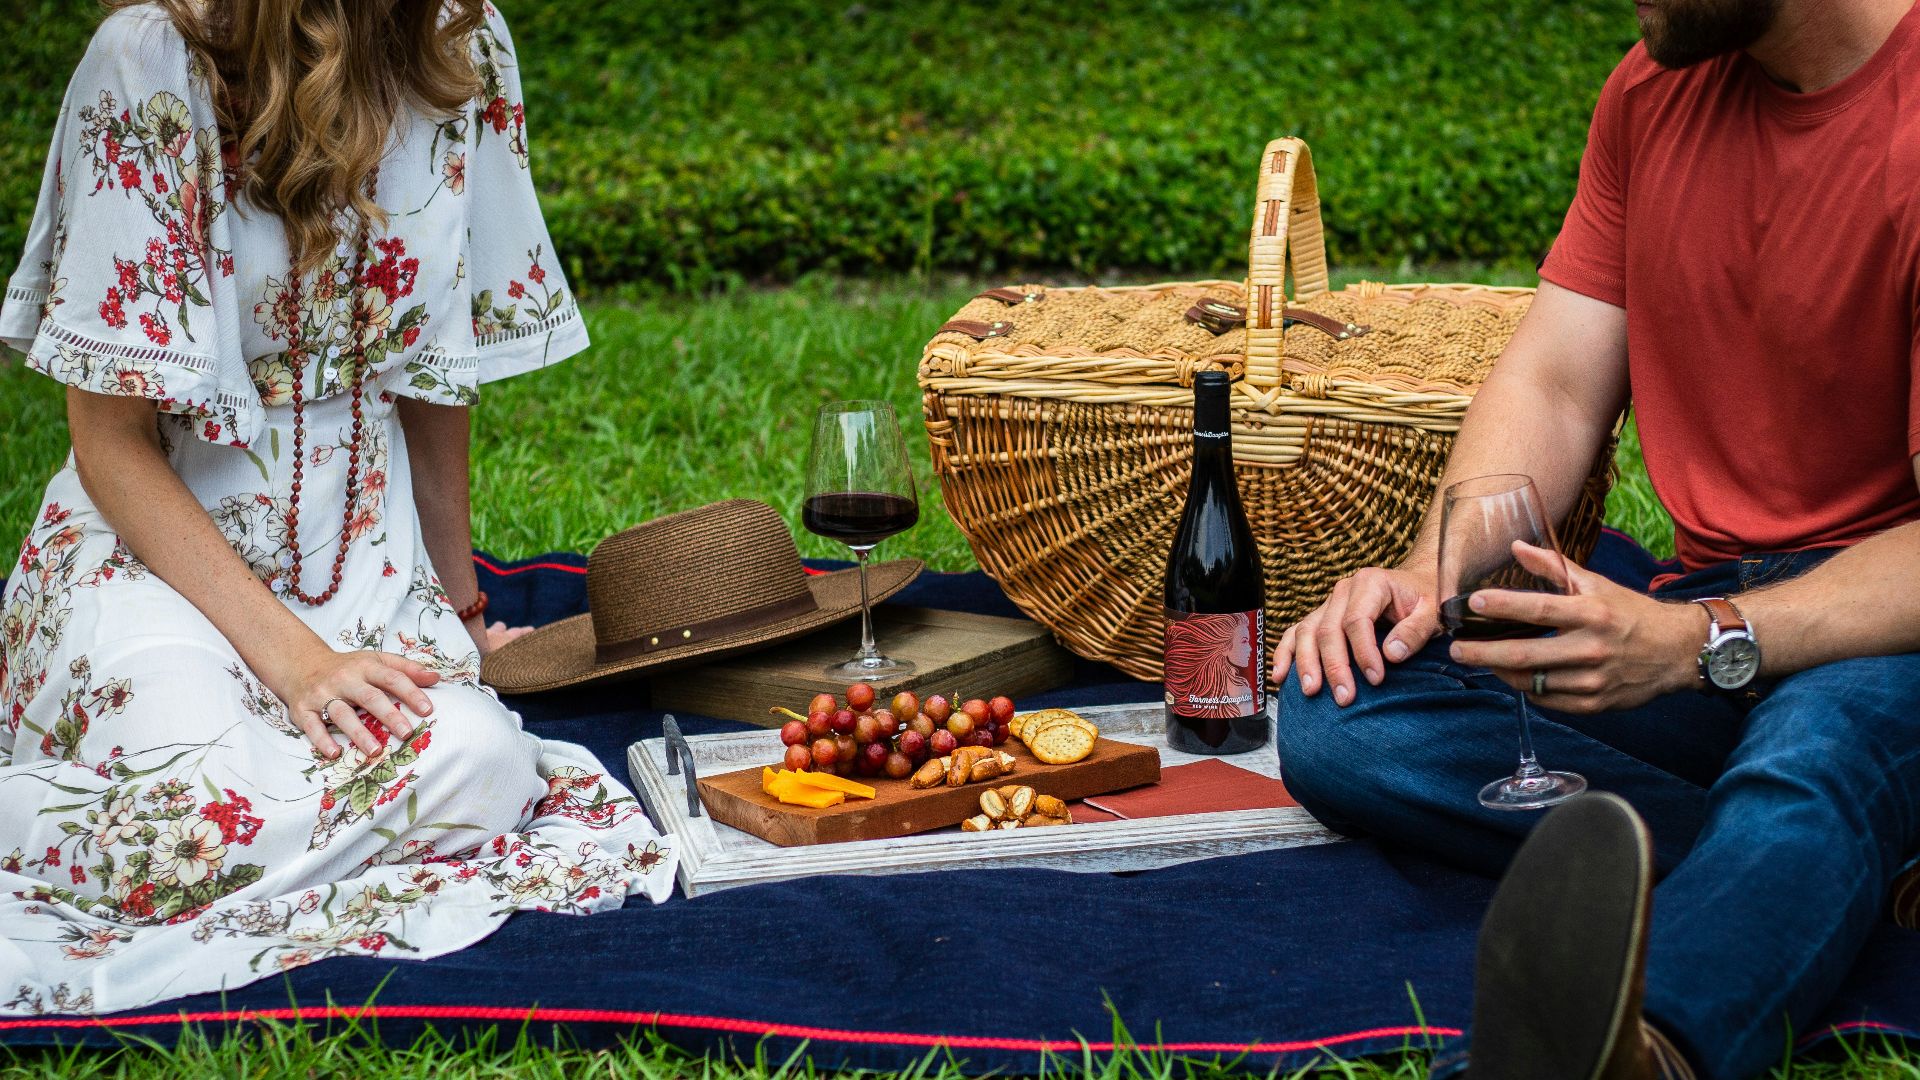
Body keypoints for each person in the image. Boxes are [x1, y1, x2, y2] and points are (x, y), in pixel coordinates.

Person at [1271, 0, 1920, 1077]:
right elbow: (1558, 384)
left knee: (1817, 751)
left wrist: (1700, 637)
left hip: (1880, 635)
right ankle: (1829, 865)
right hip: (1699, 614)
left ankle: (1640, 1045)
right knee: (1347, 709)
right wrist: (1428, 578)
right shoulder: (1651, 89)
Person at [0, 0, 676, 1016]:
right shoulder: (148, 57)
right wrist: (297, 664)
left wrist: (462, 614)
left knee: (489, 764)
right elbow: (111, 447)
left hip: (364, 562)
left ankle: (275, 831)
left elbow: (433, 375)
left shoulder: (459, 40)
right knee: (189, 824)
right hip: (154, 565)